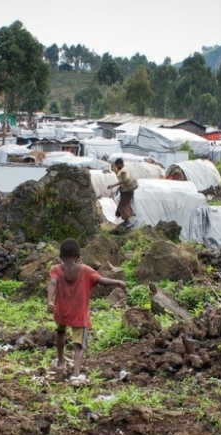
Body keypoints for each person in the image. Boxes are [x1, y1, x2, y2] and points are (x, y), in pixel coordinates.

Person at [47, 238, 127, 385]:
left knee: (60, 332)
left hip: (61, 311)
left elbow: (52, 282)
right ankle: (75, 374)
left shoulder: (56, 269)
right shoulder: (85, 270)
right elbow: (102, 280)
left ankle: (60, 361)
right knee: (78, 346)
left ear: (61, 256)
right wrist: (117, 282)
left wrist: (49, 301)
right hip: (79, 315)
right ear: (78, 255)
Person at [108, 157, 138, 228]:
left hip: (127, 190)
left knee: (122, 206)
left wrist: (113, 185)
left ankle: (128, 222)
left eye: (117, 165)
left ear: (120, 164)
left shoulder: (123, 171)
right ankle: (126, 222)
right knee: (124, 205)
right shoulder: (122, 170)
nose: (116, 167)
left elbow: (124, 180)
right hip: (126, 190)